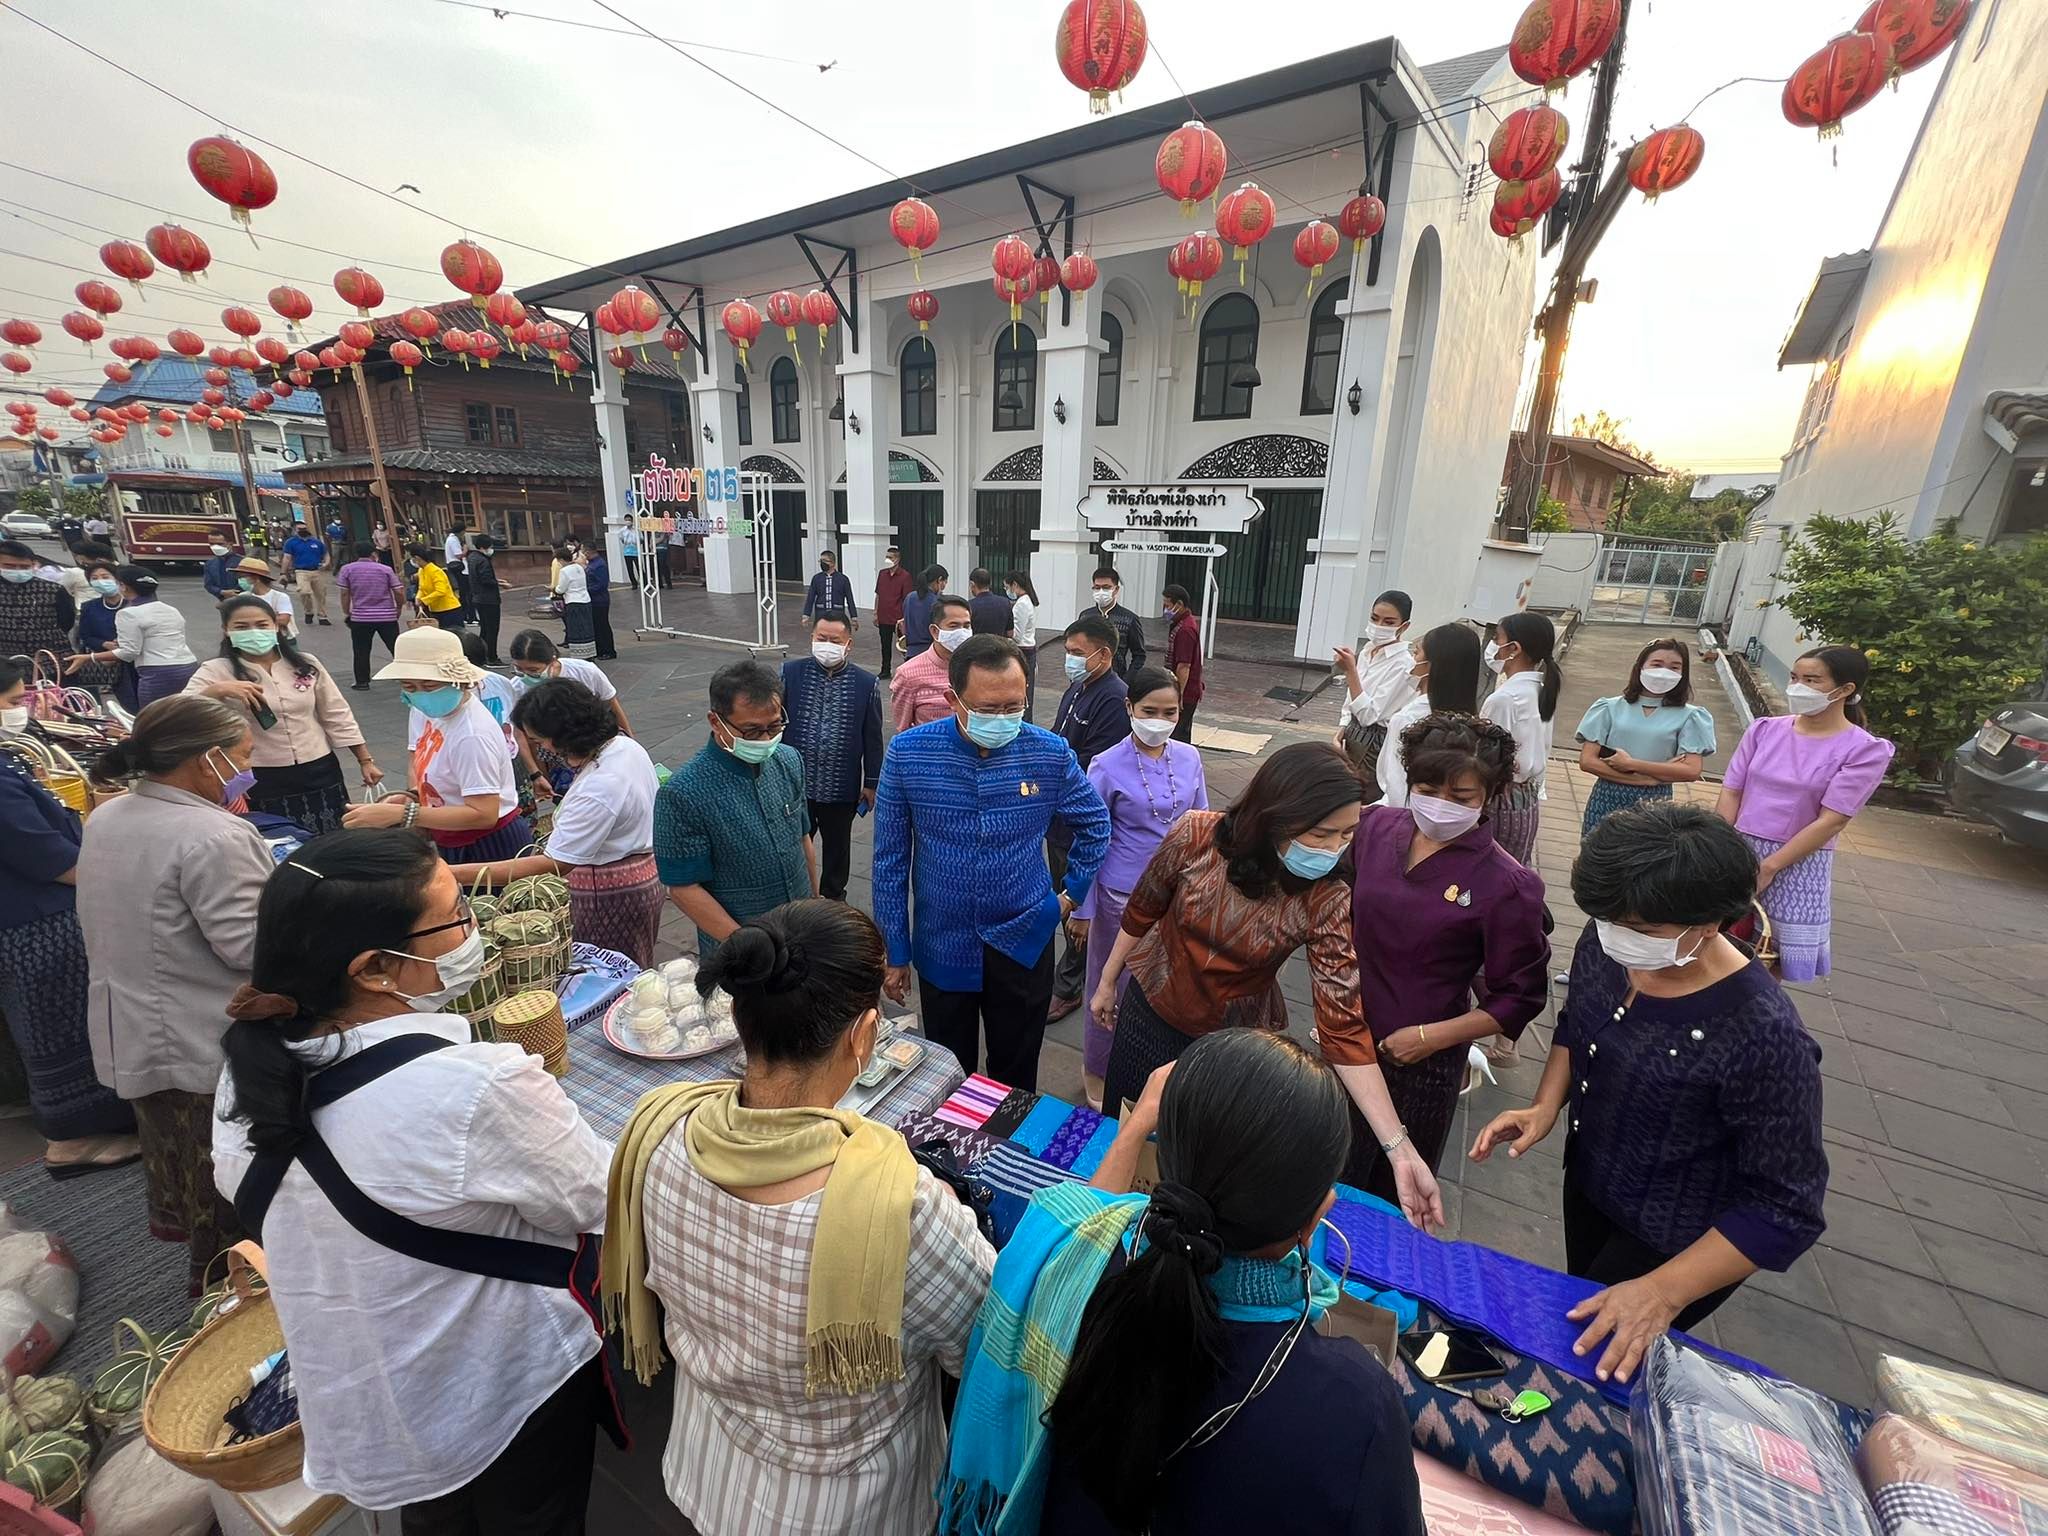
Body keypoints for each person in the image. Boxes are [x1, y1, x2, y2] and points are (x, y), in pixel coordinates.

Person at [213, 829, 619, 1527]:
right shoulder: (476, 1088)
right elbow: (597, 1198)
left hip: (372, 1395)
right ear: (374, 969)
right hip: (497, 1395)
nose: (471, 929)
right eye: (456, 916)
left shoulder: (241, 1081)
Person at [604, 900, 995, 1535]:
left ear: (736, 1011)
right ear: (863, 1035)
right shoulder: (905, 1210)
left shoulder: (659, 1132)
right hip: (847, 1510)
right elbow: (983, 1342)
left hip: (709, 1466)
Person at [943, 1033, 1425, 1536]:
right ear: (1313, 1220)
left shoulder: (1071, 1265)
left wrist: (1137, 1125)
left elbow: (1085, 1218)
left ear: (1167, 1168)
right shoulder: (1353, 1406)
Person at [1471, 802, 1828, 1380]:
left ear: (1710, 920)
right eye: (1607, 920)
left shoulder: (1764, 1036)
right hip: (1593, 1184)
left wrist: (1663, 1293)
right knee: (1579, 1309)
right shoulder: (1613, 934)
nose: (1618, 938)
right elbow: (1579, 1023)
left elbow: (1785, 1206)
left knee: (1585, 1358)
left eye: (1641, 931)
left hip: (1676, 1237)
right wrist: (1546, 1103)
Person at [1089, 742, 1444, 1225]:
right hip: (1151, 1010)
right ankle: (1112, 1232)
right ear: (1273, 814)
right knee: (1126, 1131)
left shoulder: (1326, 897)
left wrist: (1400, 1149)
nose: (1332, 848)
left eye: (1346, 834)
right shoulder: (1196, 835)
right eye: (1319, 834)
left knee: (1201, 1160)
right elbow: (1145, 906)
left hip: (1232, 1042)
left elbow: (1342, 1025)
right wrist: (1109, 978)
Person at [77, 695, 271, 1289]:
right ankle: (233, 1295)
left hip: (136, 1020)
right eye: (241, 758)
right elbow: (250, 948)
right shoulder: (212, 835)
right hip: (201, 1030)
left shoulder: (109, 815)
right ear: (206, 759)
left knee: (178, 1150)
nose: (246, 770)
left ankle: (217, 1272)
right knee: (224, 1170)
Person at [873, 635, 1108, 1088]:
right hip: (944, 943)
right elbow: (889, 862)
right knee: (945, 1072)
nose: (1003, 719)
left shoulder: (1049, 752)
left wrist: (1069, 897)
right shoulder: (908, 754)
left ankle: (1008, 1154)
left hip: (1025, 938)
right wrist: (895, 952)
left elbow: (1096, 825)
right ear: (953, 699)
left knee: (1016, 1072)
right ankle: (945, 1156)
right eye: (988, 708)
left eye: (1013, 707)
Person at [1348, 713, 1549, 1194]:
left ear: (1489, 797)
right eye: (1427, 789)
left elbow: (1518, 998)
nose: (1440, 807)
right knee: (1326, 1174)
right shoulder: (1376, 829)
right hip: (1346, 1037)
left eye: (1460, 798)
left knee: (1390, 1190)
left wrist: (1430, 1038)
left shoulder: (1507, 885)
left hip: (1418, 1063)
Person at [0, 660, 140, 1177]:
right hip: (34, 924)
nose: (23, 711)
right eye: (15, 702)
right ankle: (73, 1139)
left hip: (29, 915)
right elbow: (49, 858)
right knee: (60, 1025)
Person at [451, 679, 664, 966]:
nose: (541, 751)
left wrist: (455, 873)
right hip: (639, 877)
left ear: (565, 734)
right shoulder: (623, 746)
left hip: (608, 893)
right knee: (632, 962)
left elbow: (556, 863)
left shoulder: (600, 786)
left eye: (540, 741)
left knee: (606, 972)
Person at [1714, 646, 1892, 981]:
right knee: (1714, 941)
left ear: (1846, 690)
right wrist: (1718, 845)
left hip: (1797, 861)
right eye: (1795, 677)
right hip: (1737, 848)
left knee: (1769, 958)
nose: (1798, 687)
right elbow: (1732, 790)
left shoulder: (1864, 750)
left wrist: (1770, 867)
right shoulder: (1765, 730)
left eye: (1812, 680)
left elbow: (1832, 819)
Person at [1076, 667, 1209, 1110]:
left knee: (1164, 989)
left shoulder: (1189, 758)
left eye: (1169, 711)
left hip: (1178, 896)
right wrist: (1084, 907)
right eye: (1149, 710)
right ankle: (1097, 1070)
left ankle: (1150, 1070)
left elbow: (1203, 827)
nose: (1159, 719)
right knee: (1109, 983)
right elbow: (1091, 838)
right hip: (1121, 897)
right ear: (1129, 708)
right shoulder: (1106, 764)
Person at [654, 660, 815, 958]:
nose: (767, 740)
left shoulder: (789, 760)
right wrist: (746, 943)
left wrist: (817, 907)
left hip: (802, 932)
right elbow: (683, 887)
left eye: (774, 726)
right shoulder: (682, 793)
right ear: (715, 721)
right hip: (739, 951)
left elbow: (802, 838)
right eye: (752, 731)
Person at [185, 596, 381, 835]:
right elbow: (180, 710)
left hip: (319, 767)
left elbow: (336, 713)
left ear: (276, 626)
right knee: (277, 841)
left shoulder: (306, 665)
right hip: (258, 774)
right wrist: (216, 691)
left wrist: (365, 760)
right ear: (226, 631)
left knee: (331, 837)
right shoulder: (216, 670)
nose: (253, 632)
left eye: (261, 624)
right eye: (241, 627)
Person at [344, 628, 534, 863]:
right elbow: (420, 759)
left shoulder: (472, 735)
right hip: (450, 835)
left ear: (460, 681)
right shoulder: (430, 713)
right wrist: (413, 796)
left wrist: (405, 814)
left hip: (486, 845)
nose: (420, 695)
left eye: (430, 686)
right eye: (409, 687)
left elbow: (484, 814)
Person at [1047, 613, 1130, 1023]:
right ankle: (1067, 972)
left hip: (1080, 820)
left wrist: (1050, 765)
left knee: (1078, 905)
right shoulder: (1079, 687)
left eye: (1077, 653)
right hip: (1057, 817)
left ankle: (1070, 985)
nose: (1071, 660)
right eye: (1068, 652)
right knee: (1062, 899)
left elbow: (1096, 764)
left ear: (1104, 654)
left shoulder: (1113, 699)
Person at [782, 610, 882, 903]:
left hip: (841, 785)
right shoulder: (791, 673)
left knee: (838, 849)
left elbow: (873, 738)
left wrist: (871, 782)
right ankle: (798, 895)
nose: (827, 644)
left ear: (848, 643)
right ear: (812, 638)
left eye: (834, 640)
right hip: (797, 783)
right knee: (796, 843)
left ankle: (833, 898)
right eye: (821, 638)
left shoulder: (866, 683)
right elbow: (776, 723)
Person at [1574, 637, 1718, 834]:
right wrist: (1648, 779)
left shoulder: (1691, 716)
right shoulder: (1609, 707)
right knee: (1597, 857)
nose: (1664, 672)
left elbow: (1691, 770)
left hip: (1656, 807)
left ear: (1683, 674)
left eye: (1674, 667)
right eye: (1657, 664)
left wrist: (1632, 765)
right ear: (1640, 666)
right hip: (1606, 797)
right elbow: (1588, 761)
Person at [1479, 610, 1561, 867]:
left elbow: (1489, 761)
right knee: (1513, 870)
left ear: (1513, 648)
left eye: (1497, 638)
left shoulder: (1504, 699)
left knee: (1490, 873)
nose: (1493, 645)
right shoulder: (1540, 691)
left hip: (1499, 802)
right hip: (1526, 800)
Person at [508, 630, 630, 799]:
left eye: (533, 670)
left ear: (552, 660)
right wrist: (537, 774)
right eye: (519, 670)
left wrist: (630, 739)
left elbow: (613, 705)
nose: (527, 676)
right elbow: (523, 736)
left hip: (592, 743)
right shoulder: (516, 688)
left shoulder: (585, 671)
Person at [1377, 622, 1482, 808]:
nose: (1412, 660)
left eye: (1416, 653)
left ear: (1432, 665)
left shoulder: (1408, 719)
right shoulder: (1472, 720)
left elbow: (1396, 788)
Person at [1334, 589, 1417, 800]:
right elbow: (1351, 696)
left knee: (1362, 798)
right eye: (1374, 618)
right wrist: (1344, 725)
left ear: (1403, 626)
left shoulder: (1403, 664)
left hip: (1376, 740)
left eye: (1389, 622)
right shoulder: (1367, 650)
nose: (1379, 626)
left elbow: (1369, 715)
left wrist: (1350, 671)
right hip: (1353, 732)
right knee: (1344, 792)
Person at [89, 565, 200, 708]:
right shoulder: (171, 610)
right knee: (184, 714)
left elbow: (129, 652)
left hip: (158, 673)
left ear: (124, 587)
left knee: (154, 719)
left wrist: (89, 657)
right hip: (188, 667)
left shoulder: (128, 613)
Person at [889, 594, 973, 733]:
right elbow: (903, 730)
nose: (962, 632)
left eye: (966, 626)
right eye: (954, 626)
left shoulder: (979, 668)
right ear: (935, 631)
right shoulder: (908, 675)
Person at [336, 540, 406, 691]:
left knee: (361, 649)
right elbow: (398, 591)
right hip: (386, 616)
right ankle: (406, 676)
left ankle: (362, 681)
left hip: (361, 617)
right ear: (373, 553)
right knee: (396, 646)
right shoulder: (385, 569)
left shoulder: (347, 570)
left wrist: (347, 611)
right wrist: (399, 606)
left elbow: (344, 593)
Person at [65, 556, 128, 703]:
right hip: (106, 661)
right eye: (95, 578)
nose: (100, 581)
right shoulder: (89, 607)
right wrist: (104, 644)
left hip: (133, 661)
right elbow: (85, 636)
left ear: (118, 579)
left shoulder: (132, 603)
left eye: (105, 577)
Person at [0, 538, 74, 662]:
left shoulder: (53, 589)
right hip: (5, 661)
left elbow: (66, 621)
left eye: (24, 567)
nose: (18, 571)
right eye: (10, 566)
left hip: (48, 659)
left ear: (33, 564)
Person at [1160, 582, 1205, 744]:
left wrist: (1178, 695)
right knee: (1182, 735)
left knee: (1177, 737)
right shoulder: (1182, 623)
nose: (1165, 609)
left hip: (1185, 693)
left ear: (1179, 604)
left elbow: (1184, 666)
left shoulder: (1185, 629)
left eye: (1167, 605)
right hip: (1184, 691)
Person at [1088, 566, 1148, 681]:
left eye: (1106, 588)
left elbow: (1139, 655)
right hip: (1088, 679)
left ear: (1116, 589)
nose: (1101, 592)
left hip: (1116, 680)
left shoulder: (1129, 619)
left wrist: (1126, 681)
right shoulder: (1086, 616)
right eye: (1097, 587)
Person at [282, 522, 335, 626]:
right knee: (304, 592)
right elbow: (287, 558)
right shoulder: (291, 542)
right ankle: (308, 611)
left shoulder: (316, 542)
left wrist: (326, 563)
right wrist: (283, 572)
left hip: (316, 571)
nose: (303, 531)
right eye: (300, 529)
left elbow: (326, 554)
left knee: (321, 594)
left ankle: (322, 616)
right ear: (294, 530)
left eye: (304, 528)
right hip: (301, 571)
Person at [1004, 571, 1040, 719]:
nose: (1007, 591)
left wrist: (1005, 637)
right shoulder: (1027, 601)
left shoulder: (1022, 604)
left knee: (1023, 692)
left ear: (1015, 585)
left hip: (1023, 650)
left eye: (1007, 587)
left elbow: (1017, 636)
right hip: (1028, 649)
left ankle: (1025, 721)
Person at [874, 545, 914, 677]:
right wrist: (876, 612)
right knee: (885, 645)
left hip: (898, 618)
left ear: (897, 559)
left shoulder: (905, 576)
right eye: (887, 557)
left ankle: (906, 670)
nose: (887, 560)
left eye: (890, 557)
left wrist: (905, 618)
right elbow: (878, 594)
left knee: (903, 646)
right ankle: (885, 670)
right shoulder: (882, 574)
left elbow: (907, 599)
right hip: (884, 616)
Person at [465, 535, 504, 665]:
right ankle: (492, 657)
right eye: (490, 546)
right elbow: (486, 579)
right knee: (492, 629)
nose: (491, 549)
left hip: (478, 597)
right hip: (489, 599)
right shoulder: (483, 560)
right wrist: (498, 583)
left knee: (485, 629)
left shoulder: (472, 558)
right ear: (483, 547)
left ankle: (480, 655)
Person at [407, 545, 463, 632]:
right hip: (435, 610)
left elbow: (441, 591)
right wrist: (418, 597)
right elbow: (421, 588)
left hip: (449, 609)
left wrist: (424, 600)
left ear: (417, 558)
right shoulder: (421, 570)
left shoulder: (436, 571)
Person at [554, 545, 595, 658]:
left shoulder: (564, 571)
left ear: (562, 559)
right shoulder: (579, 567)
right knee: (586, 627)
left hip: (573, 602)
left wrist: (554, 589)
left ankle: (579, 654)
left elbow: (561, 589)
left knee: (576, 628)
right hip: (585, 600)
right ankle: (589, 653)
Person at [900, 564, 947, 661]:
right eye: (944, 583)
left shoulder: (909, 597)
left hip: (910, 652)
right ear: (939, 580)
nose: (944, 587)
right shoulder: (937, 602)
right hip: (930, 653)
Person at [802, 549, 856, 628]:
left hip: (837, 614)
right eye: (821, 561)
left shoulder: (843, 579)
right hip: (821, 613)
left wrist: (853, 617)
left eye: (825, 561)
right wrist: (806, 615)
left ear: (832, 563)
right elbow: (810, 598)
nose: (822, 563)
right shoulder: (816, 578)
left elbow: (849, 598)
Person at [585, 543, 617, 660]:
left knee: (602, 625)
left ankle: (609, 650)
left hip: (600, 601)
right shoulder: (591, 564)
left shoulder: (599, 565)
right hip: (593, 600)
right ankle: (600, 650)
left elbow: (601, 584)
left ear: (589, 551)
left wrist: (586, 590)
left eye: (584, 552)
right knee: (596, 626)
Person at [966, 568, 1012, 637]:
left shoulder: (969, 606)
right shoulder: (1005, 603)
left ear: (972, 584)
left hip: (976, 646)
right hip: (1000, 646)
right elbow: (1010, 633)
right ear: (989, 583)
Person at [444, 525, 472, 624]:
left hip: (457, 567)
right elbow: (459, 555)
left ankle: (467, 615)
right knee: (465, 592)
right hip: (458, 568)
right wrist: (465, 549)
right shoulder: (453, 540)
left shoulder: (451, 539)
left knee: (464, 592)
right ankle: (467, 616)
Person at [619, 524, 640, 589]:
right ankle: (634, 583)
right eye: (626, 520)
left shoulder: (636, 529)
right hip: (627, 552)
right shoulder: (622, 530)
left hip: (636, 552)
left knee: (639, 568)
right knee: (630, 569)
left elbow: (641, 539)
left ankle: (644, 582)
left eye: (629, 520)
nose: (628, 521)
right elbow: (621, 539)